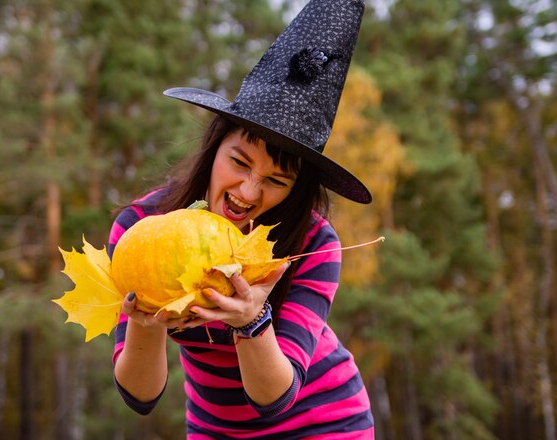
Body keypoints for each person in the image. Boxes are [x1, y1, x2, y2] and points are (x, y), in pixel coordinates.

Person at [108, 0, 375, 438]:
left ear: (296, 189)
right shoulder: (142, 226)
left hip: (326, 422)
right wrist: (144, 323)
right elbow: (141, 396)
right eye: (239, 161)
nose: (248, 191)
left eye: (275, 179)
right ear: (215, 147)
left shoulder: (314, 243)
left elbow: (274, 398)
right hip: (214, 429)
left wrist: (252, 321)